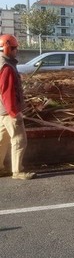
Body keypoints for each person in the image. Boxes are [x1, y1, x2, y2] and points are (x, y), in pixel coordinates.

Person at [0, 34, 36, 179]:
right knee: (19, 140)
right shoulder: (7, 67)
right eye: (14, 48)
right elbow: (7, 92)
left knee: (2, 140)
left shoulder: (1, 63)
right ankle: (17, 171)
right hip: (9, 111)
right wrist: (15, 112)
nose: (17, 51)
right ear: (7, 49)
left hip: (1, 111)